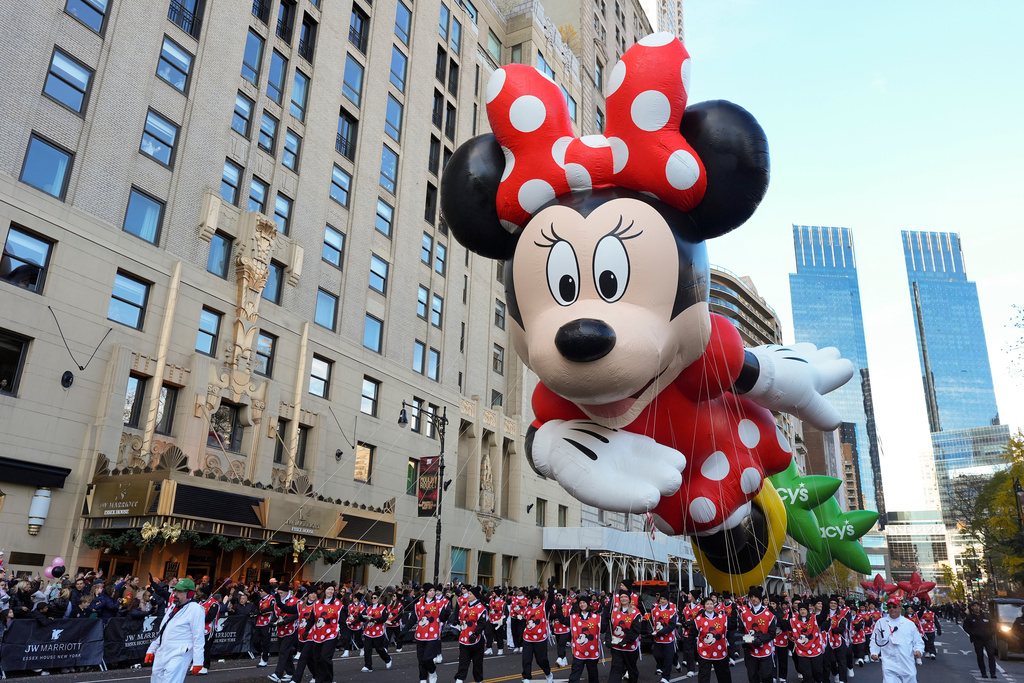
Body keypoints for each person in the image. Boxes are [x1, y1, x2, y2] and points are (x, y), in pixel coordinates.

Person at [145, 578, 205, 683]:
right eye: (175, 591)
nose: (176, 594)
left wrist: (198, 661)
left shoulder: (196, 609)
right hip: (163, 651)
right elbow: (163, 629)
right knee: (155, 678)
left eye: (180, 591)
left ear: (190, 594)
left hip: (179, 654)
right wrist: (152, 649)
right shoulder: (173, 607)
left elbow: (198, 637)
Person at [870, 597, 923, 683]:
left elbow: (918, 641)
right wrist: (874, 652)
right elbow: (875, 639)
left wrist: (918, 650)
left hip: (906, 661)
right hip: (889, 661)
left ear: (900, 608)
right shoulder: (881, 623)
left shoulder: (909, 624)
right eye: (889, 607)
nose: (892, 609)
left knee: (910, 679)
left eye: (894, 607)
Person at [737, 586, 777, 683]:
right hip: (750, 651)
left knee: (766, 676)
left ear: (760, 598)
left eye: (756, 596)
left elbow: (772, 633)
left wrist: (760, 640)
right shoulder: (744, 614)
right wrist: (750, 640)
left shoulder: (769, 614)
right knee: (752, 676)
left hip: (765, 650)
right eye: (751, 597)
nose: (753, 599)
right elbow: (740, 632)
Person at [414, 583, 448, 683]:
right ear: (425, 592)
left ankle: (432, 672)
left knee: (428, 658)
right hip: (420, 634)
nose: (432, 592)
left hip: (432, 635)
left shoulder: (439, 603)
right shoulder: (418, 604)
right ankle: (423, 679)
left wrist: (446, 615)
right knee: (421, 660)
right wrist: (404, 630)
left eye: (433, 590)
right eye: (430, 591)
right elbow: (414, 618)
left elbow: (442, 617)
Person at [606, 590, 641, 683]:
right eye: (621, 597)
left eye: (625, 597)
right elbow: (609, 627)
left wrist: (625, 641)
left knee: (632, 670)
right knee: (616, 669)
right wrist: (608, 639)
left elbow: (635, 630)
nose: (623, 599)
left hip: (630, 647)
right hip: (617, 647)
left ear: (629, 599)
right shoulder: (614, 611)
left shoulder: (635, 612)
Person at [453, 586, 487, 683]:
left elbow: (482, 624)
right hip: (464, 639)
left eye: (470, 594)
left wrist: (475, 634)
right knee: (463, 662)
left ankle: (478, 680)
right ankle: (459, 679)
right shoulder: (465, 607)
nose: (468, 595)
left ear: (475, 596)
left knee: (477, 663)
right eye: (468, 593)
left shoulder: (481, 608)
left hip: (476, 641)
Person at [695, 596, 731, 683]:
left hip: (720, 651)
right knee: (704, 676)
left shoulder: (723, 618)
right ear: (704, 606)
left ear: (714, 606)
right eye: (707, 604)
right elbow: (693, 635)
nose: (710, 606)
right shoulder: (698, 619)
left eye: (711, 604)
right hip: (704, 652)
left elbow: (729, 632)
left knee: (724, 676)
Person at [521, 589, 554, 683]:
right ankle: (527, 677)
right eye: (535, 597)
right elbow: (525, 621)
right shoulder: (527, 608)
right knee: (526, 659)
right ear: (531, 599)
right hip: (528, 637)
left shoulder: (544, 606)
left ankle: (548, 673)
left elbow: (550, 601)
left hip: (540, 637)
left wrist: (551, 591)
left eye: (539, 597)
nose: (537, 599)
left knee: (541, 660)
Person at [269, 584, 300, 683]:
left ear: (287, 592)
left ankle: (278, 674)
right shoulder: (277, 601)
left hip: (292, 630)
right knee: (285, 651)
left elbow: (296, 614)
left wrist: (285, 621)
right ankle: (290, 672)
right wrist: (272, 622)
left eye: (281, 593)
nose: (280, 595)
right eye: (278, 593)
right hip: (280, 630)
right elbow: (276, 614)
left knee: (284, 650)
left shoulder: (296, 601)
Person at [567, 593, 601, 683]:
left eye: (584, 602)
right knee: (574, 675)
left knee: (593, 675)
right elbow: (563, 620)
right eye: (580, 603)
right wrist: (559, 609)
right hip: (579, 651)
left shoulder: (596, 618)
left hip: (592, 652)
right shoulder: (574, 617)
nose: (582, 604)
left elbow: (604, 628)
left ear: (588, 604)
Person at [790, 601, 824, 683]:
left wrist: (825, 605)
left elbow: (823, 616)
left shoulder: (814, 618)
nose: (802, 611)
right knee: (807, 673)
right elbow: (783, 624)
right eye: (801, 609)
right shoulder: (794, 620)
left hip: (815, 649)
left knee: (817, 671)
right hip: (802, 651)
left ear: (807, 610)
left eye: (804, 609)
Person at [962, 600, 998, 679]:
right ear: (972, 608)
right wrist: (972, 633)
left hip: (988, 638)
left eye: (977, 606)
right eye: (974, 606)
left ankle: (993, 673)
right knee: (980, 656)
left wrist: (991, 632)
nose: (976, 608)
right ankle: (983, 672)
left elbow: (993, 626)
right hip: (977, 639)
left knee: (991, 655)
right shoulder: (969, 617)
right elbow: (965, 627)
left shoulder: (986, 616)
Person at [651, 592, 678, 683]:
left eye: (664, 599)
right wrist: (650, 631)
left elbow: (672, 625)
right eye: (661, 599)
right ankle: (662, 668)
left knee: (668, 658)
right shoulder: (655, 609)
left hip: (668, 639)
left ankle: (666, 677)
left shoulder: (672, 610)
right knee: (657, 655)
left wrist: (661, 633)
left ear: (667, 600)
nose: (662, 601)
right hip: (657, 639)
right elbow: (651, 621)